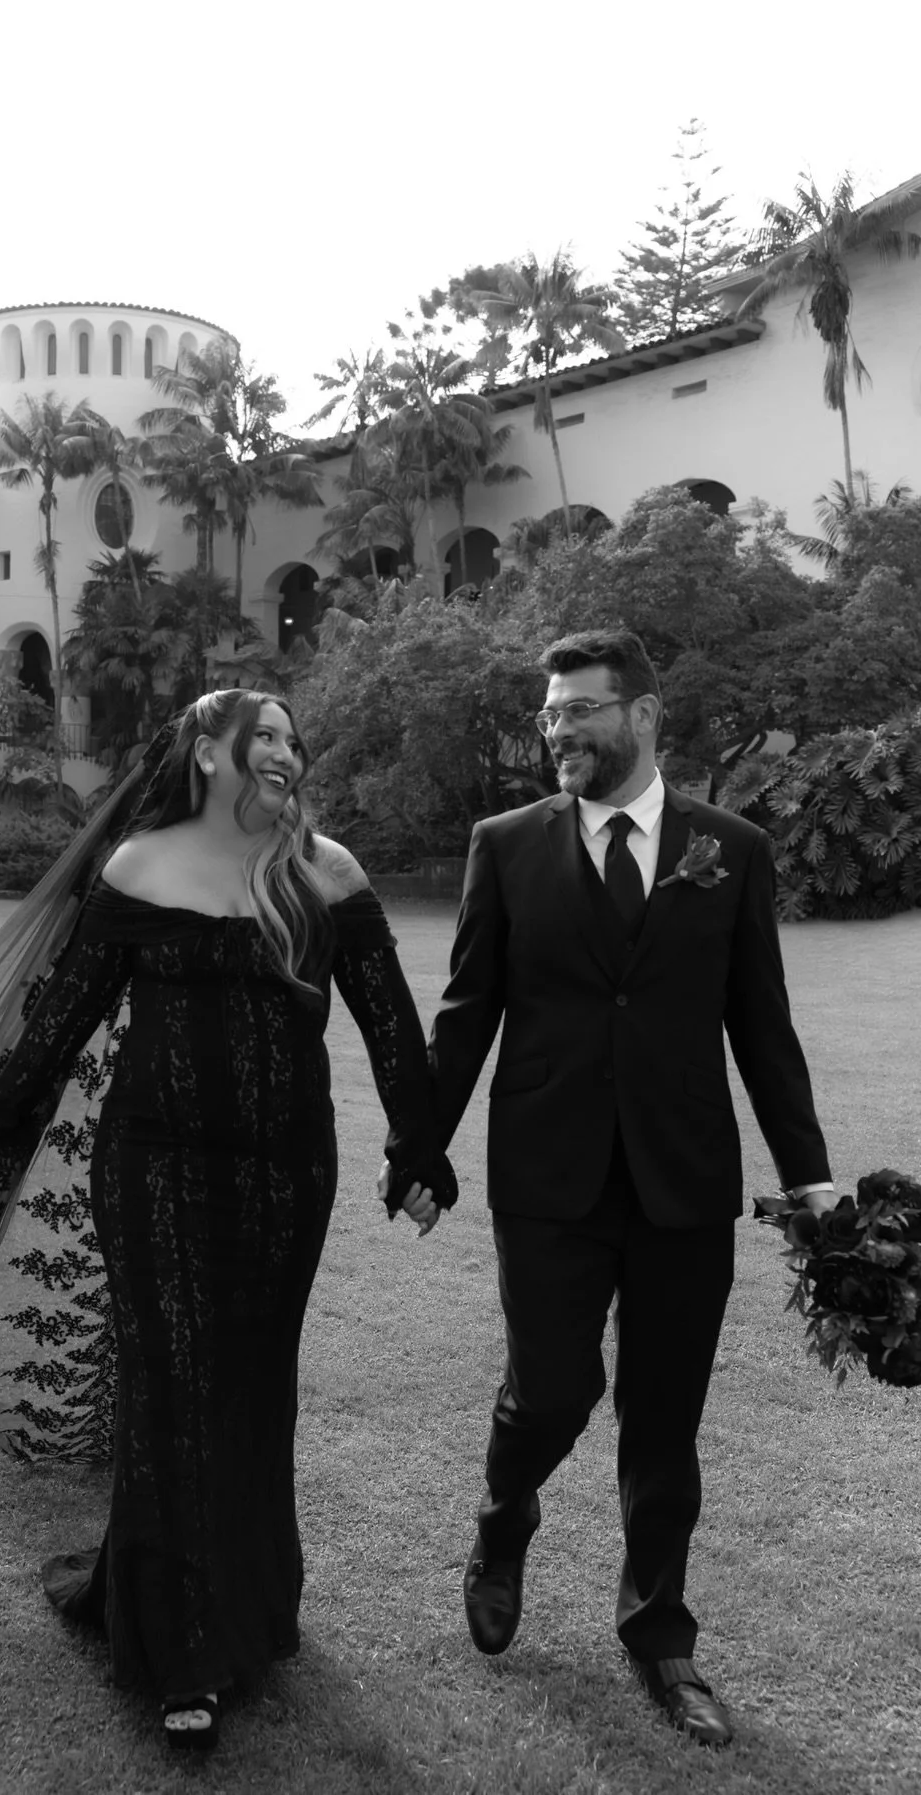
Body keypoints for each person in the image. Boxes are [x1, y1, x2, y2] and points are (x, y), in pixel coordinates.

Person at [0, 688, 455, 1754]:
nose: (285, 752)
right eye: (262, 735)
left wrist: (420, 1153)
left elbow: (395, 1033)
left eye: (293, 739)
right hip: (154, 1174)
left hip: (284, 1181)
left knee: (255, 1386)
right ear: (207, 754)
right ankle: (180, 1651)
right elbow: (61, 1017)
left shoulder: (329, 873)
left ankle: (253, 1606)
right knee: (169, 1389)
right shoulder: (138, 868)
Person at [390, 630, 834, 1749]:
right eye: (549, 715)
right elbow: (466, 1014)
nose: (559, 732)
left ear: (643, 716)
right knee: (551, 1389)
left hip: (685, 1179)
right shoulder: (506, 845)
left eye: (579, 710)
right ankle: (503, 1521)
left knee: (665, 1419)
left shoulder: (730, 850)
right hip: (547, 1173)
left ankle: (660, 1634)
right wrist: (419, 1148)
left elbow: (762, 1028)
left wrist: (813, 1179)